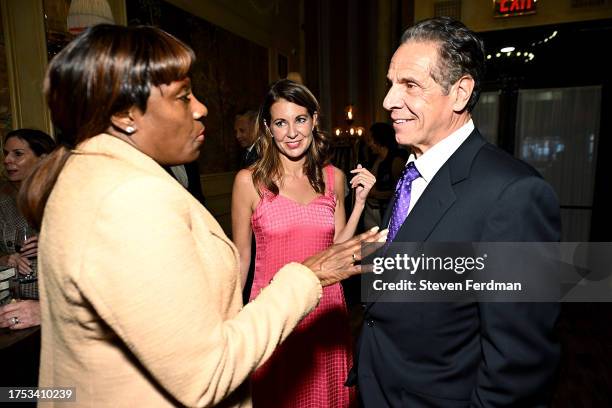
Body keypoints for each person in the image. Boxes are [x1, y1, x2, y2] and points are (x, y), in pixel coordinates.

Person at [19, 25, 384, 407]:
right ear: (127, 115)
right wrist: (307, 276)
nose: (201, 108)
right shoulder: (129, 196)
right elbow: (204, 375)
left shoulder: (103, 176)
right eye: (183, 96)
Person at [348, 17, 561, 407]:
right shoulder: (412, 172)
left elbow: (518, 368)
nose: (388, 101)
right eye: (391, 84)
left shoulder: (515, 195)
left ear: (460, 92)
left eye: (409, 85)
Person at [231, 79, 376, 407]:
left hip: (326, 308)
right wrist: (233, 319)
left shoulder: (333, 178)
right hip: (274, 311)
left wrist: (360, 204)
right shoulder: (248, 182)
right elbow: (241, 258)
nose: (292, 132)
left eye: (300, 119)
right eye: (281, 123)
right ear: (268, 128)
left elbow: (339, 247)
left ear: (314, 121)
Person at [0, 128, 56, 330]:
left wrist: (51, 243)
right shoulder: (3, 198)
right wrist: (7, 259)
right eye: (6, 153)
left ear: (42, 158)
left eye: (18, 154)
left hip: (57, 308)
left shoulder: (65, 194)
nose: (7, 160)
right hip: (16, 307)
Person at [362, 122, 408, 230]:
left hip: (386, 212)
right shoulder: (373, 159)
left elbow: (401, 192)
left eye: (371, 140)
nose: (369, 144)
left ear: (379, 140)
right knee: (369, 246)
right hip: (370, 210)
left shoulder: (396, 161)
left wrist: (375, 194)